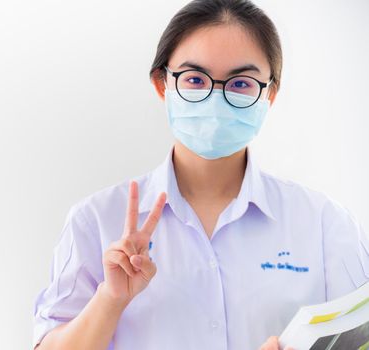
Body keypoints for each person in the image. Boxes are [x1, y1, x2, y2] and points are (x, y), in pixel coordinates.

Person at [32, 0, 369, 349]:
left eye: (241, 83)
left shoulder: (326, 225)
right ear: (162, 84)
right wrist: (110, 299)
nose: (216, 98)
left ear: (270, 94)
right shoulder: (96, 222)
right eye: (195, 79)